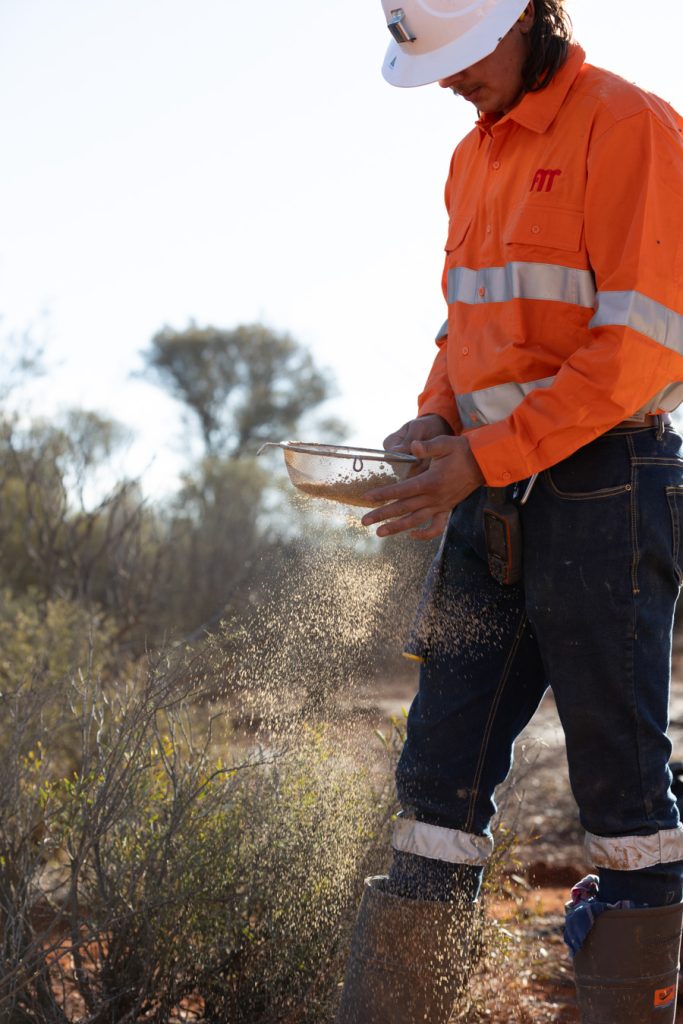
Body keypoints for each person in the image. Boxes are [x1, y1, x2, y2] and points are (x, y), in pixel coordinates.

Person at [335, 2, 683, 1022]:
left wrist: (477, 454)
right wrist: (432, 421)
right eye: (427, 61)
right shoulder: (469, 159)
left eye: (454, 55)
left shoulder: (629, 129)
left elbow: (642, 349)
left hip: (606, 483)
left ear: (523, 17)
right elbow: (466, 331)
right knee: (433, 784)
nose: (445, 78)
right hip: (489, 490)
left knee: (620, 793)